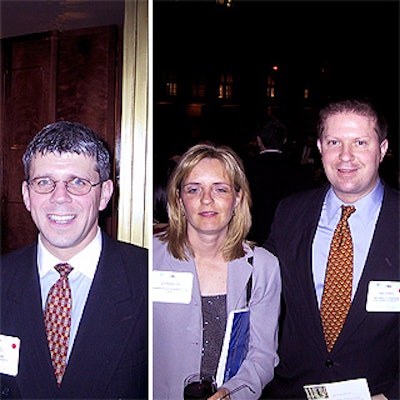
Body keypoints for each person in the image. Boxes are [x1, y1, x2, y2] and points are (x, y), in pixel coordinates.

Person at [262, 98, 399, 399]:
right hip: (293, 391)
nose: (345, 156)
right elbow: (258, 285)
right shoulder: (289, 214)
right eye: (335, 142)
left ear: (383, 149)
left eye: (360, 142)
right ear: (321, 149)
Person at [0, 121, 148, 399]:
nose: (60, 198)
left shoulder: (146, 277)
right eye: (44, 182)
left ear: (104, 194)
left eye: (77, 183)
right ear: (26, 195)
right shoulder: (2, 277)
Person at [153, 143, 281, 400]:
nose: (206, 199)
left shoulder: (263, 267)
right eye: (194, 189)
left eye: (220, 189)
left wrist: (231, 393)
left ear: (238, 198)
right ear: (179, 199)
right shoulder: (148, 259)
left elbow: (262, 355)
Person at [246, 116, 313, 245]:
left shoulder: (247, 169)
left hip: (255, 237)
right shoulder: (299, 170)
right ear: (284, 140)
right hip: (289, 238)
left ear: (259, 141)